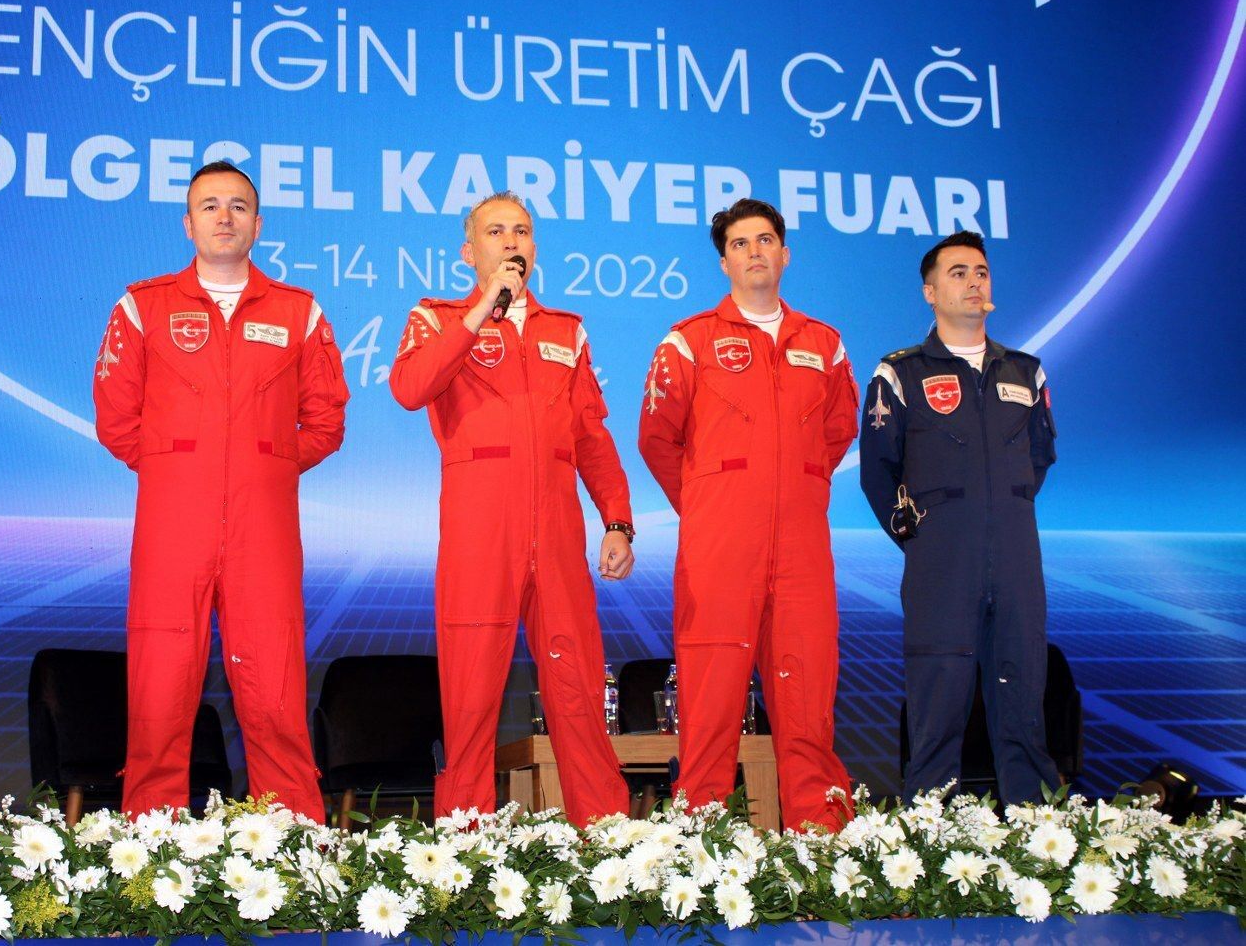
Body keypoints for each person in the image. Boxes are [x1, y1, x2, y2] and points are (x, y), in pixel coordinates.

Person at [93, 160, 349, 819]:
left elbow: (326, 422)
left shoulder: (299, 311)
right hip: (173, 524)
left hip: (264, 529)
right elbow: (116, 420)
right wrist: (182, 469)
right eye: (210, 205)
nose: (224, 217)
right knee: (160, 689)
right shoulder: (143, 306)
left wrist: (264, 469)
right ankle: (149, 841)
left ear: (258, 225)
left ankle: (291, 839)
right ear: (188, 223)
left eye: (238, 206)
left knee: (275, 689)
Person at [390, 192, 635, 824]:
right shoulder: (437, 317)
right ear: (469, 252)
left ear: (535, 247)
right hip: (480, 530)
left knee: (578, 687)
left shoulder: (565, 330)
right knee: (471, 694)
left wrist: (616, 519)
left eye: (521, 231)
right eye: (496, 232)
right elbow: (410, 389)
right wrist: (480, 312)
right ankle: (465, 842)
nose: (511, 242)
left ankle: (604, 835)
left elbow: (592, 435)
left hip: (556, 532)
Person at [638, 198, 856, 831]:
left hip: (801, 549)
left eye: (765, 240)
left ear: (785, 254)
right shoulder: (689, 340)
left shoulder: (824, 343)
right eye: (740, 243)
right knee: (710, 706)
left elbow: (838, 431)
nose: (754, 251)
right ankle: (700, 848)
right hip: (721, 548)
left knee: (808, 701)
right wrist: (711, 503)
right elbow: (657, 437)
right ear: (724, 262)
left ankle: (821, 843)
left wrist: (794, 488)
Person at [860, 230, 1060, 805]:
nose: (974, 282)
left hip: (1017, 559)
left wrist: (999, 514)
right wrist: (925, 537)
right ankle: (931, 829)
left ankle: (1036, 828)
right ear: (930, 292)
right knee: (938, 701)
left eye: (981, 272)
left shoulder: (1025, 371)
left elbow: (1039, 459)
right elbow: (878, 470)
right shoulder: (900, 372)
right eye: (958, 273)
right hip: (941, 562)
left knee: (1023, 692)